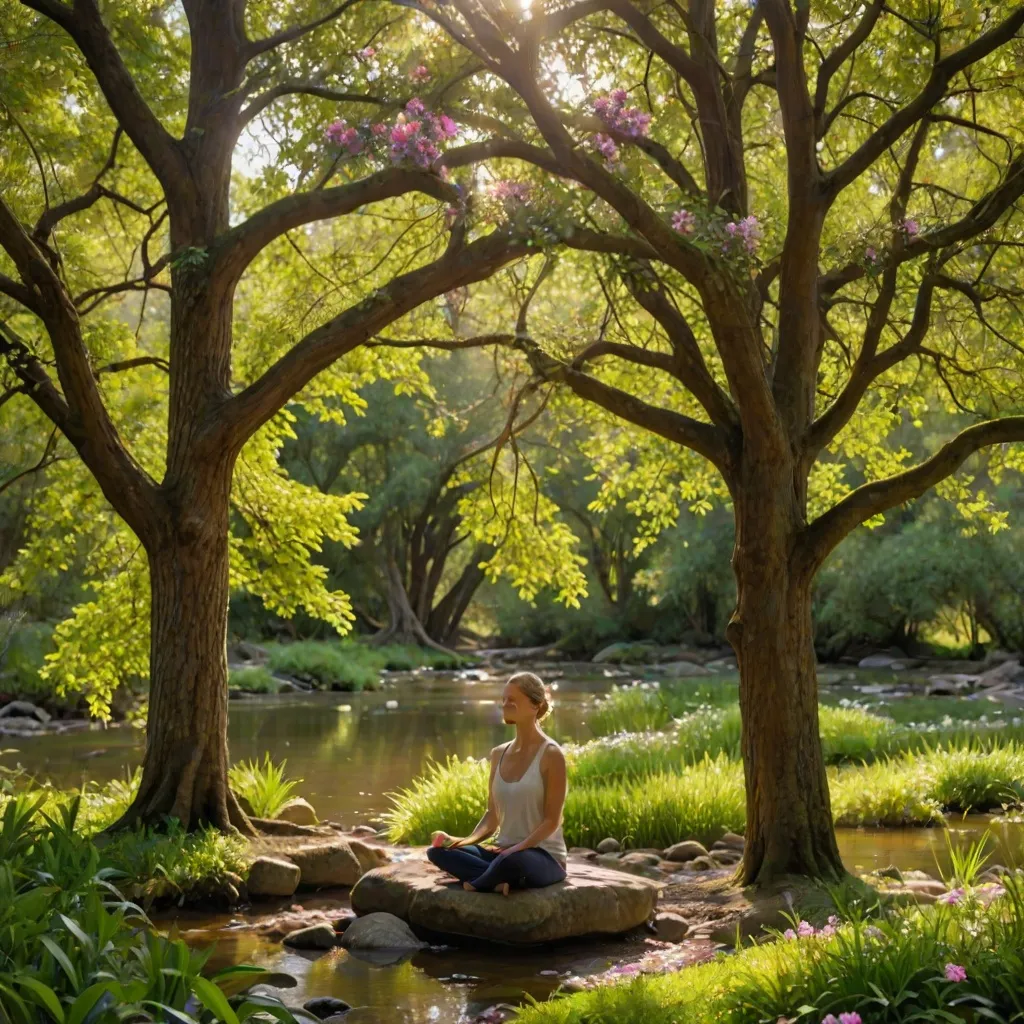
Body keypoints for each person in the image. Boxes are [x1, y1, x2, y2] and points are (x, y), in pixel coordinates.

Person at [426, 671, 568, 896]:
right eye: (503, 699)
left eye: (512, 700)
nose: (505, 704)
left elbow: (552, 821)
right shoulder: (498, 754)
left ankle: (481, 881)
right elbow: (492, 816)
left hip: (541, 856)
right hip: (502, 851)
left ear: (535, 705)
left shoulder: (552, 754)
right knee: (438, 853)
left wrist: (515, 849)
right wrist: (463, 841)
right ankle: (495, 882)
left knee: (512, 862)